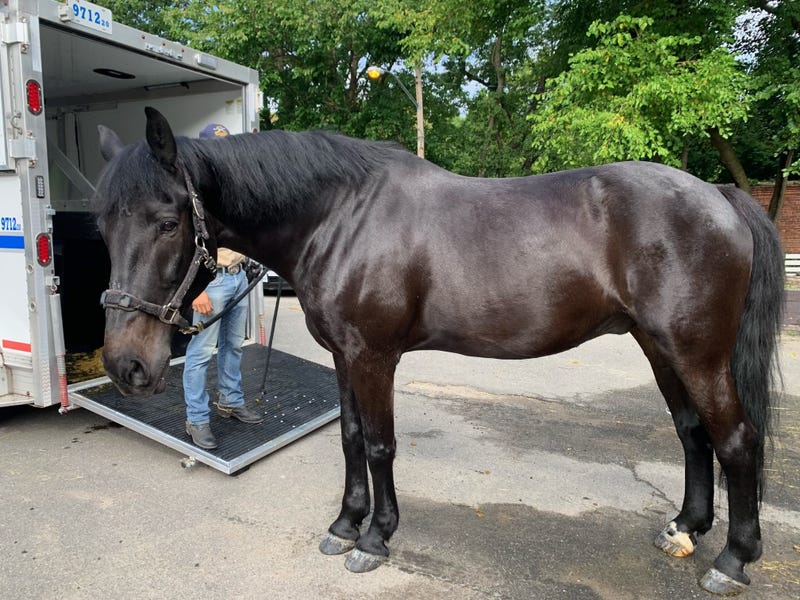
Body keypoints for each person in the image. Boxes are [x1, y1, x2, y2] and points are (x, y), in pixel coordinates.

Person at [183, 123, 263, 449]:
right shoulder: (192, 195)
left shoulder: (234, 190)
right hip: (211, 282)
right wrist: (195, 291)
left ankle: (230, 400)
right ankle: (197, 419)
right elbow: (183, 246)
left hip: (237, 276)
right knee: (200, 354)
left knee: (232, 347)